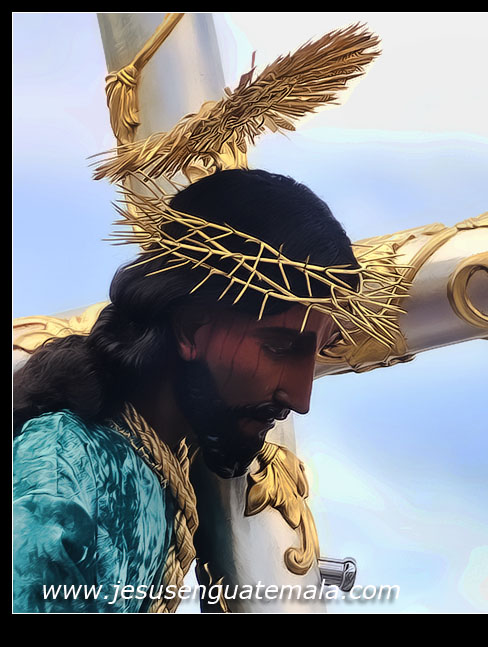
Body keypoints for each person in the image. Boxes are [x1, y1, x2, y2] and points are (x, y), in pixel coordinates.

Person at [13, 169, 368, 612]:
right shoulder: (61, 474)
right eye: (279, 348)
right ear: (189, 330)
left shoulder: (156, 467)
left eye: (319, 352)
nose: (300, 398)